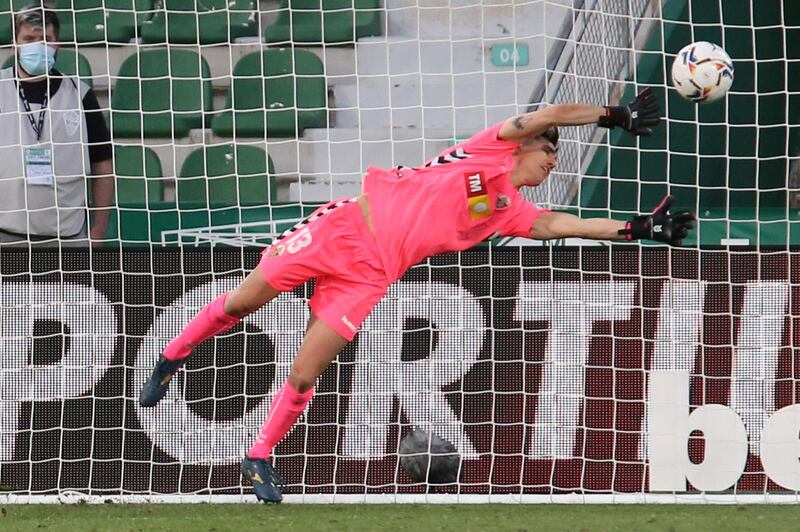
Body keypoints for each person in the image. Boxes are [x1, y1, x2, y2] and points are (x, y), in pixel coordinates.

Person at [139, 88, 694, 503]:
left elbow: (556, 225)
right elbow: (544, 115)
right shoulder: (485, 152)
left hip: (371, 275)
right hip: (345, 229)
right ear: (523, 145)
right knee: (241, 304)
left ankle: (258, 456)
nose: (552, 161)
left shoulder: (509, 210)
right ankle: (174, 354)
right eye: (548, 152)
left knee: (307, 373)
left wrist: (636, 228)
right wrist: (612, 116)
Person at [0, 6, 113, 246]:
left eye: (46, 39)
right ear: (14, 44)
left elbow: (103, 165)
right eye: (29, 39)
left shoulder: (80, 94)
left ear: (57, 44)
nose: (38, 46)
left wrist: (99, 230)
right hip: (5, 233)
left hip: (68, 236)